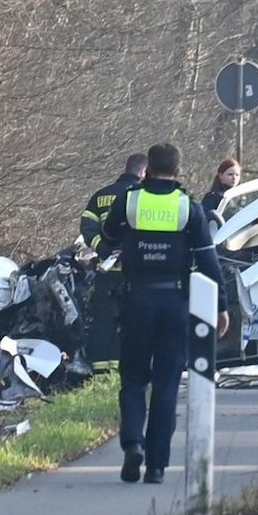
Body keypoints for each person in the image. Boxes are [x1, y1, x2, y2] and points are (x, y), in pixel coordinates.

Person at [100, 143, 228, 484]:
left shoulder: (129, 201)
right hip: (175, 303)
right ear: (178, 170)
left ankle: (132, 444)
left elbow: (107, 236)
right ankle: (156, 466)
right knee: (166, 384)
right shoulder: (189, 207)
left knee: (133, 378)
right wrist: (221, 305)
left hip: (136, 300)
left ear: (148, 169)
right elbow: (208, 261)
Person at [78, 151, 148, 366]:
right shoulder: (144, 196)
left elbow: (87, 229)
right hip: (135, 274)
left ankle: (100, 373)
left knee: (103, 324)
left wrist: (104, 250)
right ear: (144, 172)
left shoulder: (101, 196)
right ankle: (125, 370)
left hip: (105, 272)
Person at [201, 157, 242, 222]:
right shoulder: (212, 197)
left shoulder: (242, 196)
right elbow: (205, 220)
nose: (234, 178)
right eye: (230, 174)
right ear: (220, 175)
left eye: (237, 175)